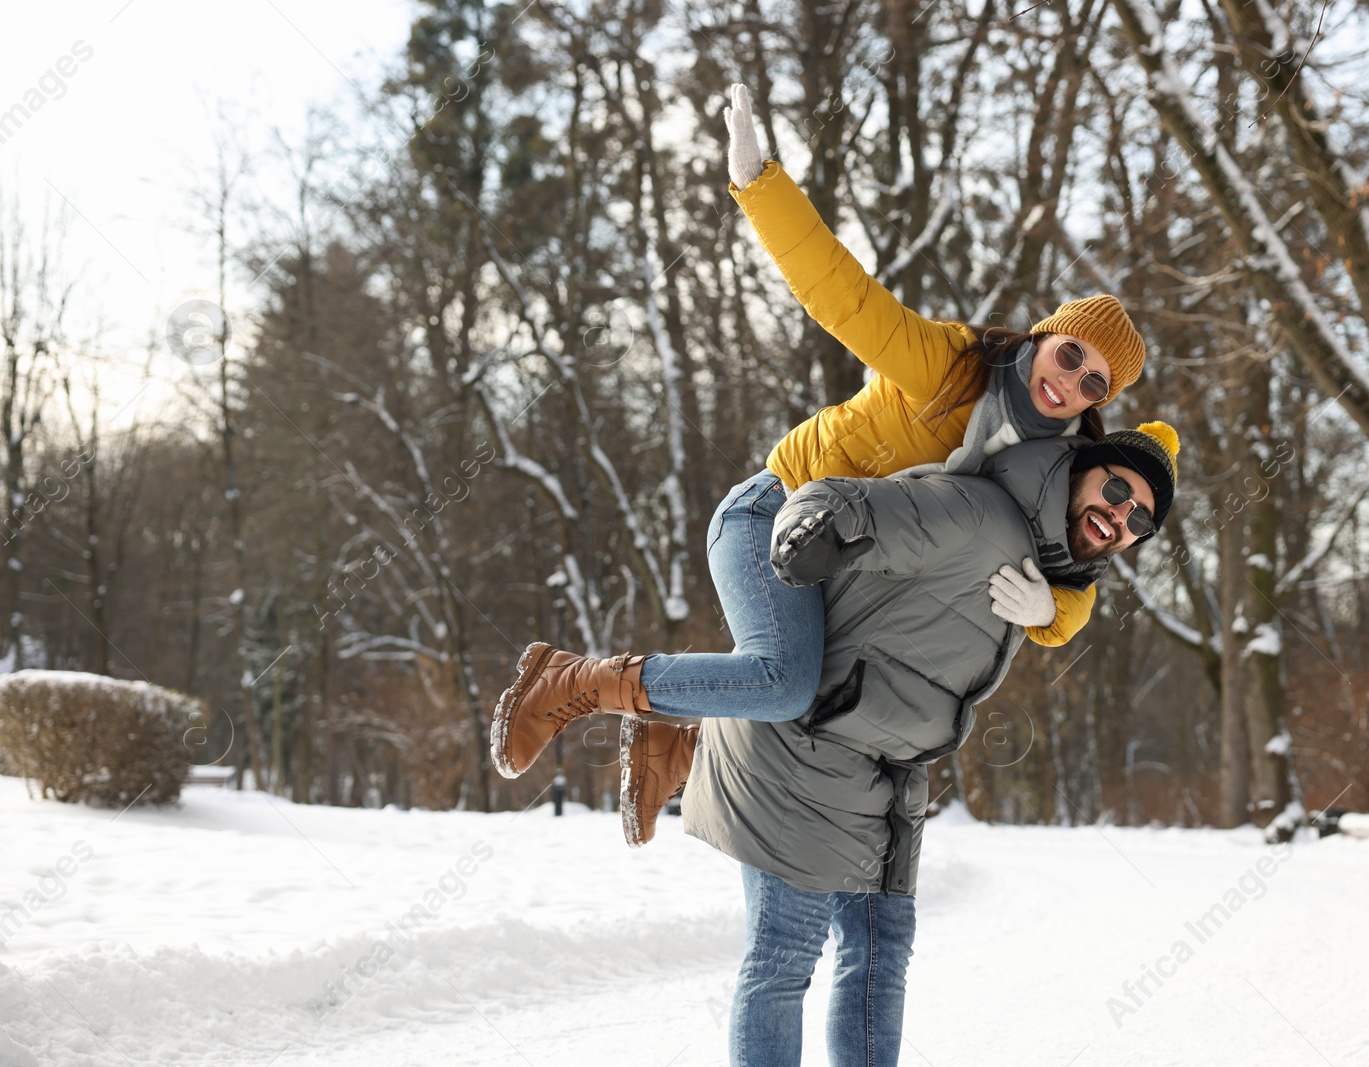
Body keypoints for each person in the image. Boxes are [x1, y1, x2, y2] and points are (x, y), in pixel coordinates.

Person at [488, 84, 1150, 845]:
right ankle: (577, 680)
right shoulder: (948, 366)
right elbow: (843, 296)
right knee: (786, 677)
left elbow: (1080, 560)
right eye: (1071, 354)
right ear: (1044, 336)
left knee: (835, 697)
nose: (1070, 380)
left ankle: (676, 733)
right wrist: (758, 184)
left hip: (846, 570)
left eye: (1094, 382)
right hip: (773, 511)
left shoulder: (1052, 464)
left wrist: (1052, 616)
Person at [680, 421, 1181, 1067]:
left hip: (885, 774)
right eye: (1116, 488)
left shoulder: (1045, 565)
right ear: (1081, 468)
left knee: (880, 957)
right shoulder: (980, 512)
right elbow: (838, 501)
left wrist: (1050, 610)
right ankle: (627, 693)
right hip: (802, 750)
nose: (1120, 515)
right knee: (784, 952)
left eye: (1139, 517)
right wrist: (804, 538)